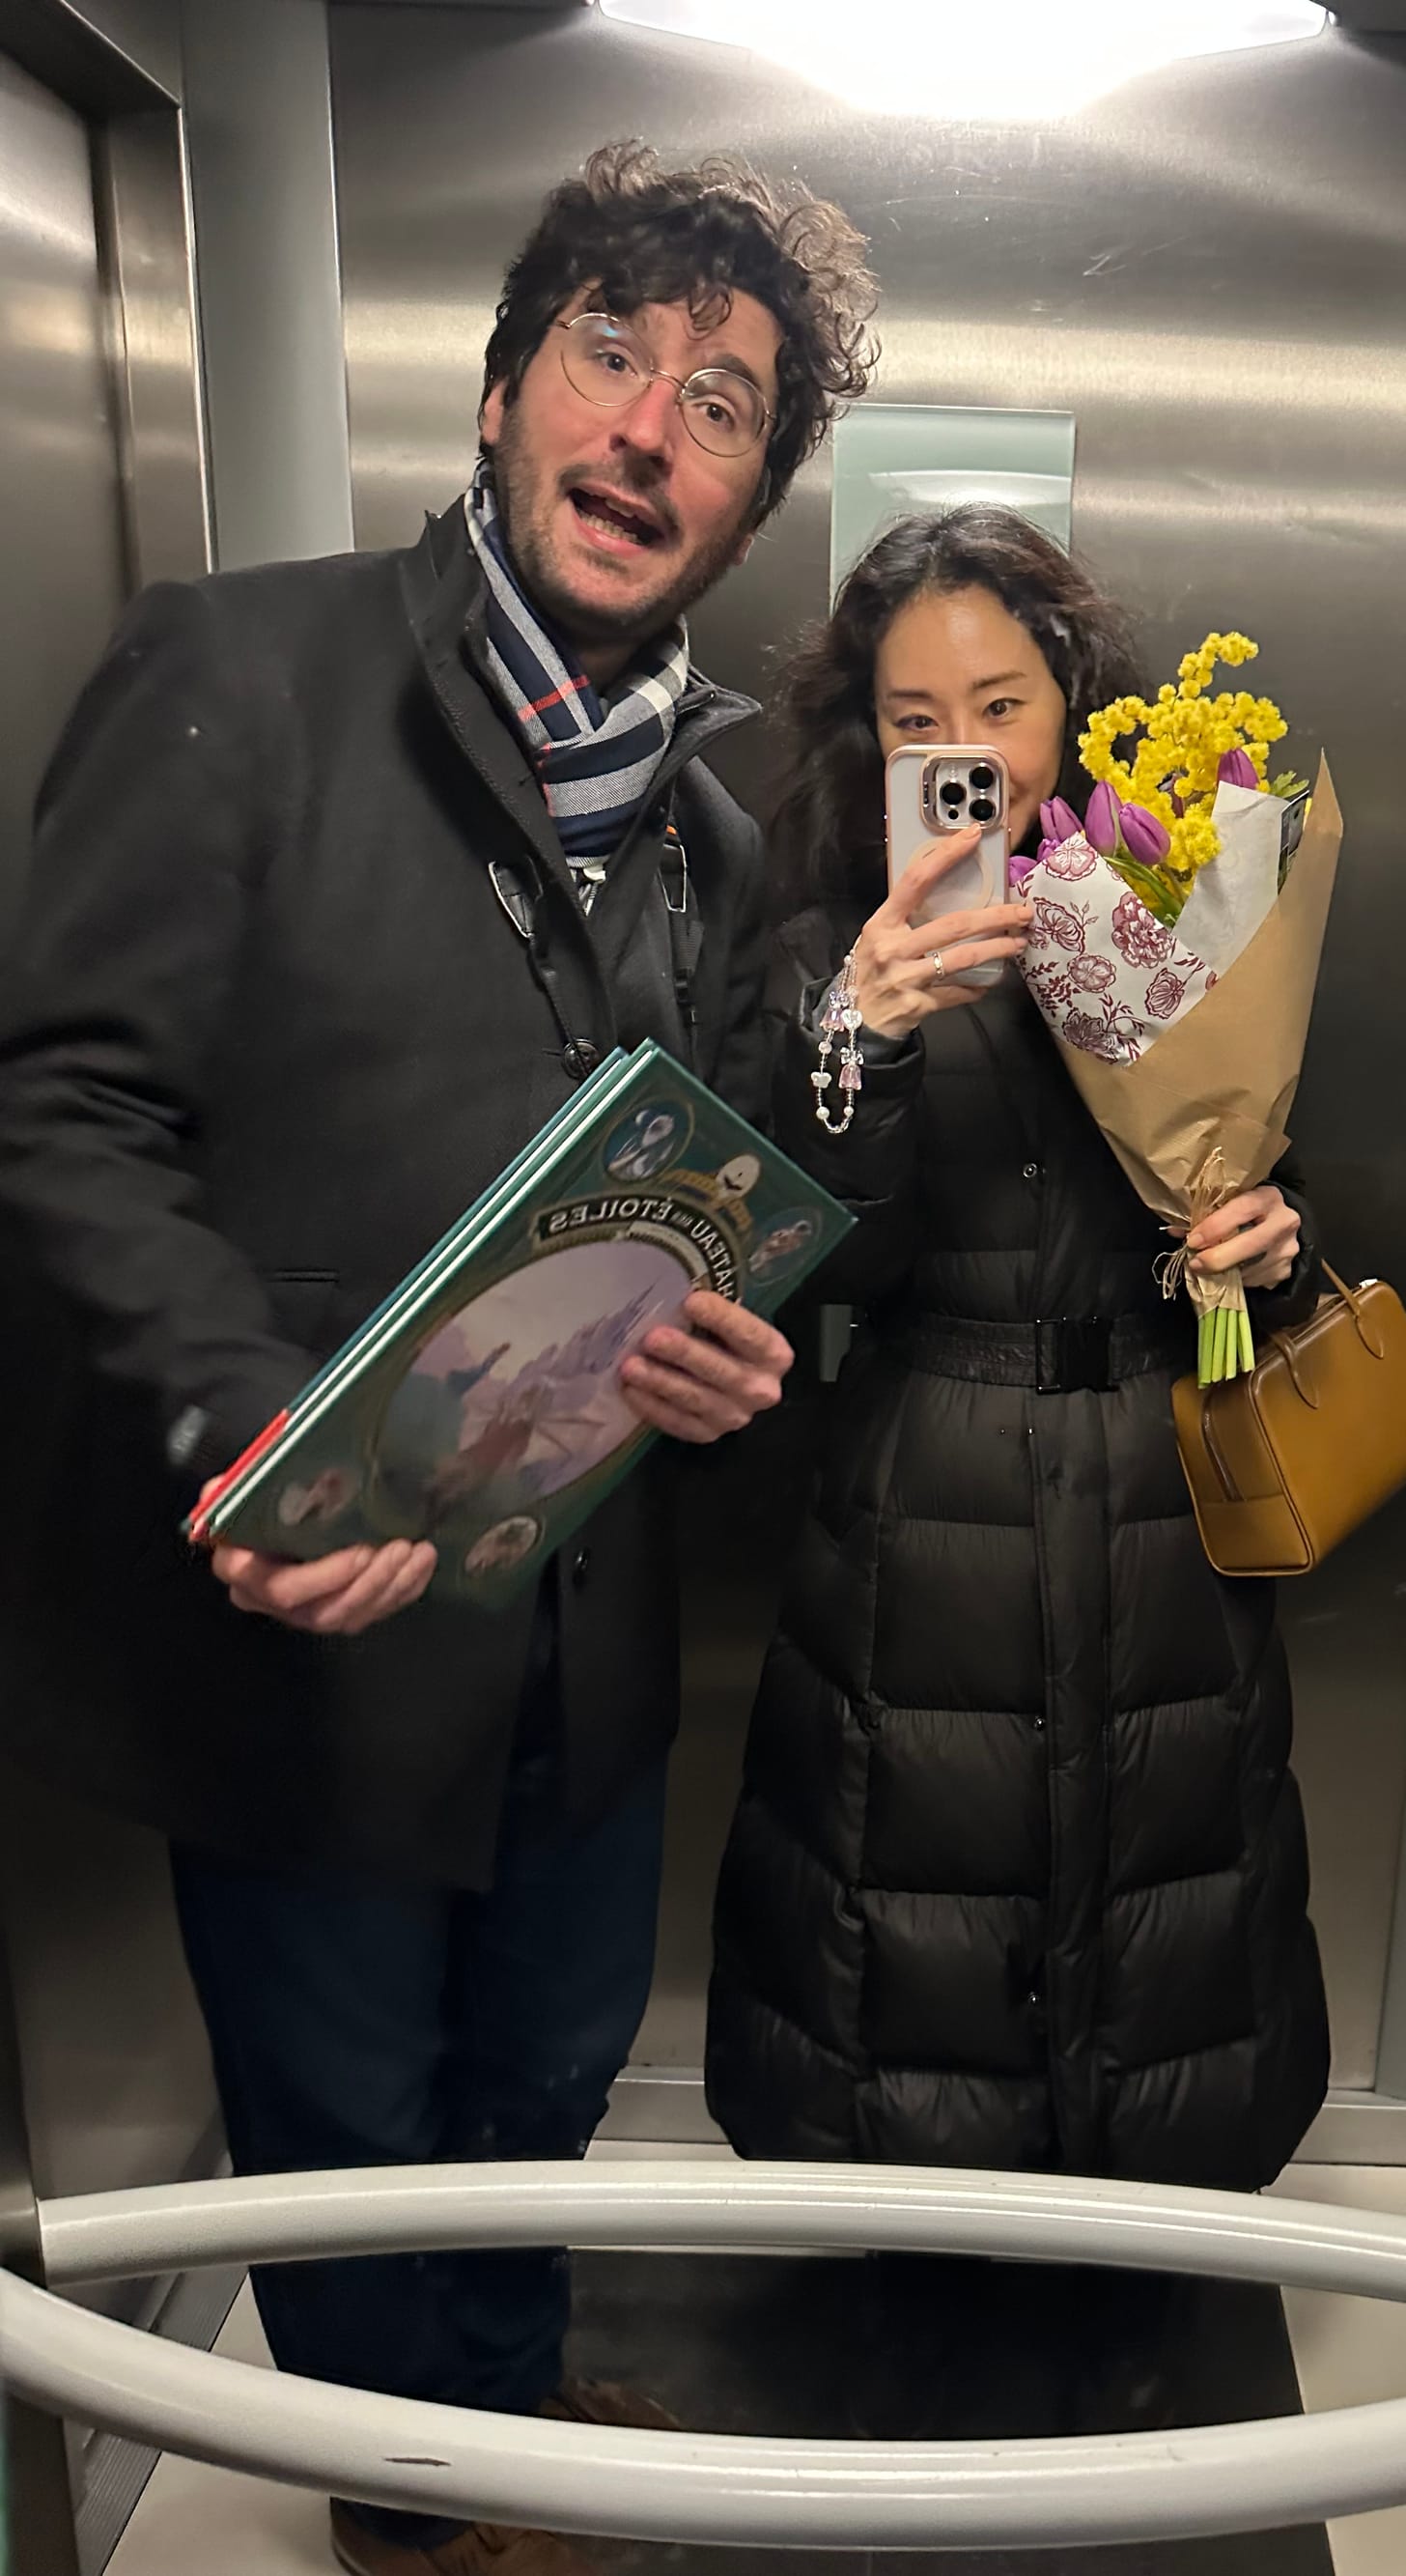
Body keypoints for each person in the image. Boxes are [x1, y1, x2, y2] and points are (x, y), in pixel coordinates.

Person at [0, 145, 877, 2576]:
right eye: (608, 352)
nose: (650, 429)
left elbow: (673, 1202)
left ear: (745, 503)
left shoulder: (712, 828)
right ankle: (411, 2518)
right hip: (314, 1619)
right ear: (501, 396)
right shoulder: (240, 673)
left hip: (586, 1635)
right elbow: (61, 1102)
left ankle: (492, 2418)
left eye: (722, 405)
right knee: (345, 2112)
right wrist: (237, 1411)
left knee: (541, 2078)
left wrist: (719, 1350)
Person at [705, 506, 1333, 2424]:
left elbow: (1273, 1174)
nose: (965, 746)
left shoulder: (1182, 899)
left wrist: (1268, 1247)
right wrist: (863, 1035)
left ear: (1074, 699)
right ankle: (919, 2290)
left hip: (1158, 1485)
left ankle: (1134, 2282)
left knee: (1158, 1885)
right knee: (909, 1892)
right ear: (869, 741)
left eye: (1001, 702)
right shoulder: (828, 944)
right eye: (917, 719)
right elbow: (805, 1262)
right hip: (927, 1488)